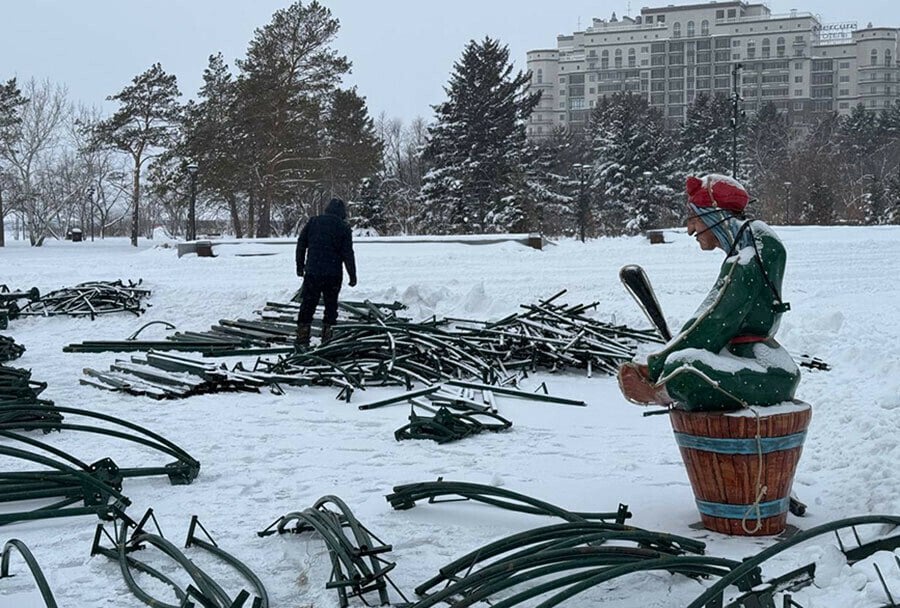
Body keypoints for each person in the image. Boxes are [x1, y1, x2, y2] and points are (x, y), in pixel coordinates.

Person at [617, 174, 801, 411]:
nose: (690, 230)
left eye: (694, 218)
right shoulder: (752, 249)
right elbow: (711, 320)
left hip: (764, 369)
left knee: (684, 367)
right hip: (762, 364)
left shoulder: (747, 260)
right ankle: (665, 385)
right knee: (680, 363)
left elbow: (715, 320)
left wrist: (655, 367)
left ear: (714, 215)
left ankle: (659, 392)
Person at [295, 198, 357, 348]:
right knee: (331, 306)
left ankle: (302, 337)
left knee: (308, 304)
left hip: (313, 272)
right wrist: (352, 275)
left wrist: (300, 266)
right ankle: (327, 338)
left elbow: (301, 244)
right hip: (333, 274)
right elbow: (348, 253)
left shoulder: (313, 222)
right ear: (343, 213)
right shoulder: (343, 227)